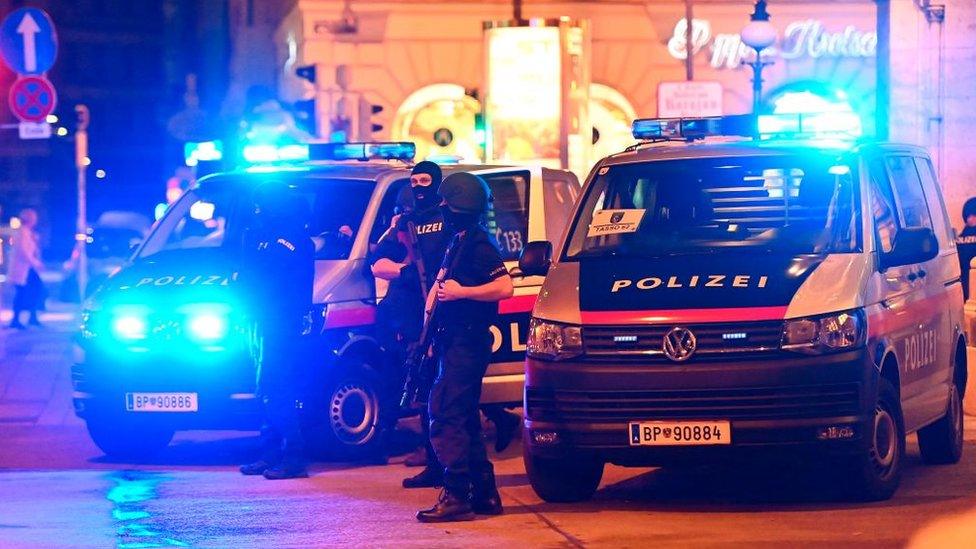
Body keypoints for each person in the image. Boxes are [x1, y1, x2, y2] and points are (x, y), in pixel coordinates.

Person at [417, 172, 514, 523]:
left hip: (467, 342)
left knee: (445, 413)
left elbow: (505, 287)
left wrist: (462, 293)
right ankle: (485, 494)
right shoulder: (459, 239)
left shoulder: (477, 244)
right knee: (466, 419)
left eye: (446, 203)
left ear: (459, 207)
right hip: (453, 340)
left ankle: (456, 493)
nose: (441, 209)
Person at [370, 161, 451, 487]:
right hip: (412, 319)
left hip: (443, 314)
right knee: (421, 389)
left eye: (425, 180)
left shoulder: (447, 219)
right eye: (414, 180)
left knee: (444, 394)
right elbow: (378, 263)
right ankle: (434, 463)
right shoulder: (403, 222)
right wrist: (405, 270)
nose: (418, 186)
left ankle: (450, 467)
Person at [238, 185, 315, 480]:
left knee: (279, 388)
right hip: (260, 322)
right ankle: (269, 453)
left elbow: (287, 287)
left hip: (281, 324)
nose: (258, 208)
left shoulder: (293, 241)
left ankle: (293, 457)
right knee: (265, 389)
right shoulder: (261, 236)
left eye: (263, 203)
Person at [7, 208, 45, 329]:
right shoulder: (22, 232)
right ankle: (18, 319)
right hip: (24, 268)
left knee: (34, 290)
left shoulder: (28, 232)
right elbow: (24, 251)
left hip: (27, 267)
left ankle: (30, 317)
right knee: (25, 292)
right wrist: (35, 263)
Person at [956, 197, 976, 301]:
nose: (971, 219)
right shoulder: (959, 237)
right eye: (969, 216)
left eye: (974, 215)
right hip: (963, 280)